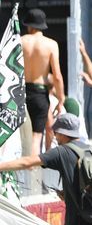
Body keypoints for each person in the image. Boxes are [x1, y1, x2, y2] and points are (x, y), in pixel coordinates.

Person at [20, 9, 63, 165]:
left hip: (19, 90)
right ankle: (32, 170)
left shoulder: (19, 41)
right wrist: (61, 98)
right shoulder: (51, 44)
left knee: (17, 131)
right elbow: (57, 75)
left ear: (29, 26)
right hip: (39, 92)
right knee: (36, 135)